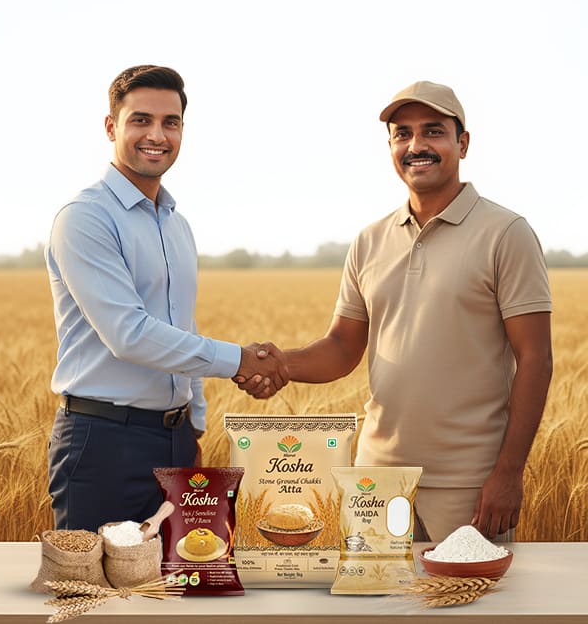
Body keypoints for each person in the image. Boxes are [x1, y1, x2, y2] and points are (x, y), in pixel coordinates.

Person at [236, 80, 553, 543]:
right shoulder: (370, 240)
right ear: (390, 146)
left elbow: (536, 359)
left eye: (433, 132)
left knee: (468, 614)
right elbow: (343, 347)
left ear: (463, 143)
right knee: (377, 613)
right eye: (402, 134)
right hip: (375, 480)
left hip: (468, 482)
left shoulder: (506, 233)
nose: (416, 146)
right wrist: (280, 363)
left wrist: (508, 473)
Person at [46, 64, 287, 532]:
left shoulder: (176, 224)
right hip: (103, 445)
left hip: (174, 441)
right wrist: (240, 359)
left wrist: (192, 423)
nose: (156, 134)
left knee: (174, 595)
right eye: (141, 120)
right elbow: (129, 335)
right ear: (111, 126)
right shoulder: (85, 218)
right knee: (95, 598)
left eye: (170, 122)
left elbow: (179, 329)